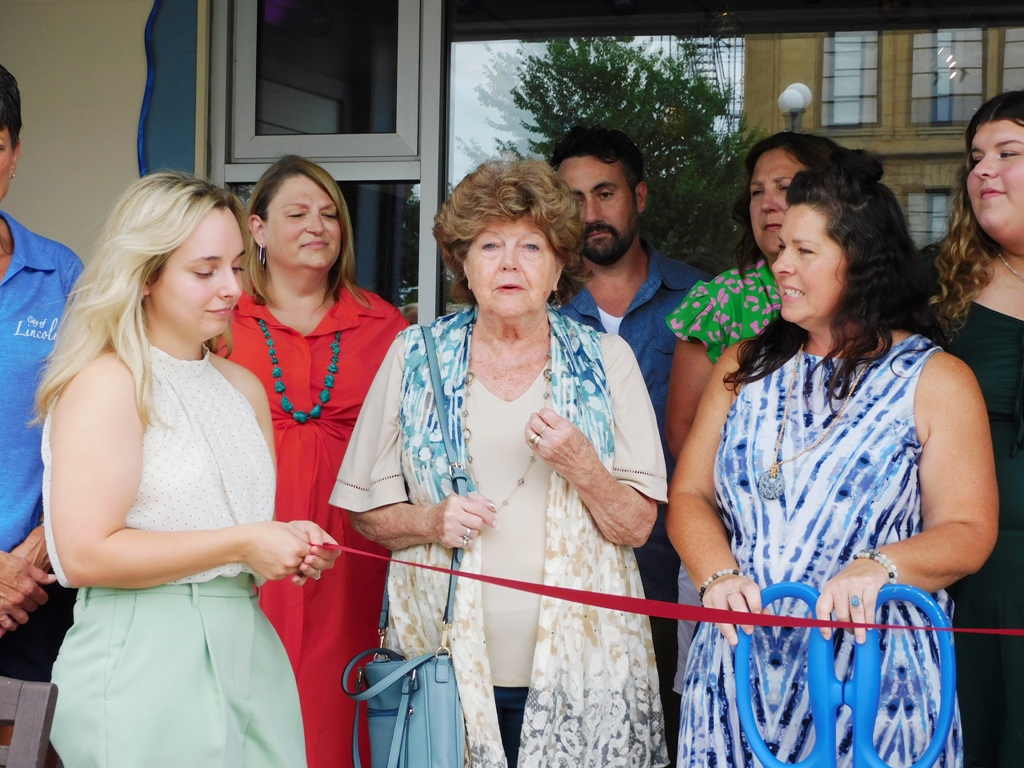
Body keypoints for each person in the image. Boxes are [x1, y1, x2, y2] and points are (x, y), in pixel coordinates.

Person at [332, 157, 668, 767]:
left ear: (560, 264)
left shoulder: (607, 359)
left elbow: (638, 525)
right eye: (490, 245)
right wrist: (430, 520)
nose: (510, 263)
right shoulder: (414, 355)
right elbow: (364, 511)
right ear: (463, 262)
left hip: (584, 672)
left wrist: (583, 465)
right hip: (441, 667)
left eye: (531, 246)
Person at [669, 149, 997, 767]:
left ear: (863, 262)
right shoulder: (743, 364)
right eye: (781, 249)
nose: (781, 265)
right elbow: (690, 495)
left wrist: (881, 566)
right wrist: (717, 576)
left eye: (805, 251)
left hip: (873, 679)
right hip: (740, 669)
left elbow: (969, 530)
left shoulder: (935, 378)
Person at [37, 171, 340, 767]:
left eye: (236, 266)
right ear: (146, 276)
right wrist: (245, 542)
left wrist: (285, 544)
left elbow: (236, 531)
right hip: (142, 657)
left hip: (249, 646)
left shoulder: (244, 388)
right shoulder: (107, 383)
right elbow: (83, 555)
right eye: (205, 271)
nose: (231, 288)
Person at [226, 155, 407, 768]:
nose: (317, 226)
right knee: (247, 689)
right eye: (298, 213)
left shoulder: (384, 324)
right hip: (246, 535)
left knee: (337, 697)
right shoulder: (221, 316)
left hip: (350, 543)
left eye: (330, 214)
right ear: (256, 228)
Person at [551, 126, 706, 759]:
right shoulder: (539, 304)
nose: (589, 213)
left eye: (605, 193)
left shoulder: (702, 299)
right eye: (573, 198)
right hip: (569, 567)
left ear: (638, 196)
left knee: (674, 730)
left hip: (676, 561)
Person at [933, 89, 1024, 768]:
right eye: (975, 157)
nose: (983, 170)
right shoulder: (934, 283)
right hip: (973, 576)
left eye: (1007, 153)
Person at [664, 132, 841, 460]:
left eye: (785, 187)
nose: (767, 203)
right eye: (757, 192)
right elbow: (682, 430)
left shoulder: (860, 294)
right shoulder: (718, 300)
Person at [0, 62, 81, 682]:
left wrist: (35, 552)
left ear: (15, 154)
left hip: (36, 586)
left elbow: (99, 432)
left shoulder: (60, 274)